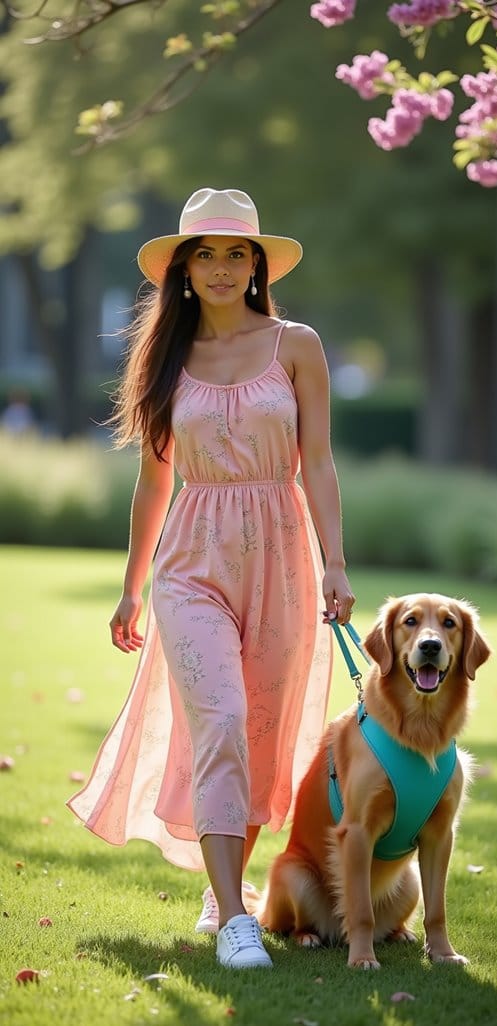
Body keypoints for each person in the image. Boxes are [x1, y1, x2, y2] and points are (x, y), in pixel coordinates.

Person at [67, 187, 355, 969]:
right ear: (183, 269)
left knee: (259, 731)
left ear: (257, 265)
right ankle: (235, 919)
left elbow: (319, 463)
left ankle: (219, 886)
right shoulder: (166, 356)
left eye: (237, 253)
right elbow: (153, 483)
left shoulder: (297, 344)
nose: (222, 267)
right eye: (206, 253)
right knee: (222, 718)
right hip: (191, 560)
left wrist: (335, 562)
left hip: (283, 558)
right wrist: (132, 586)